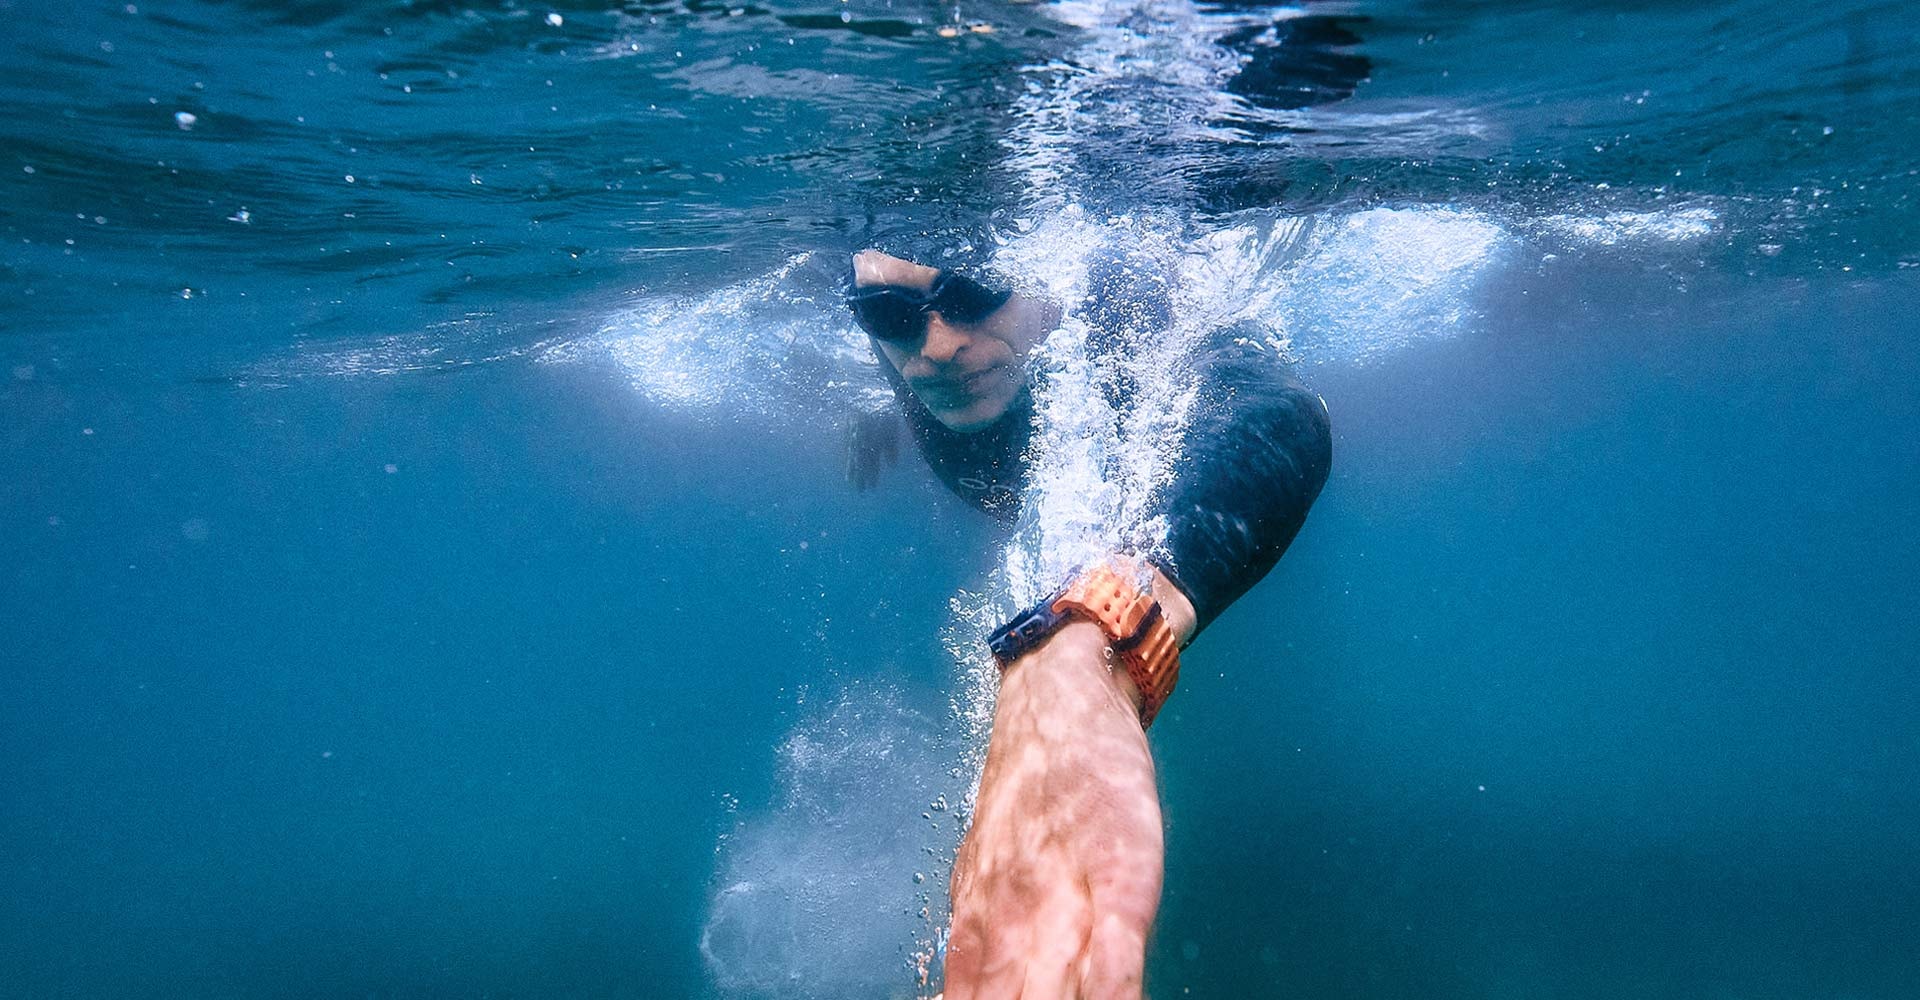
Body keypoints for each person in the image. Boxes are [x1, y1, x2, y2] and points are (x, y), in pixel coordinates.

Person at [847, 247, 1332, 999]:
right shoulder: (915, 348)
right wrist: (884, 417)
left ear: (1043, 265)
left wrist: (1092, 640)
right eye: (888, 316)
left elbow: (1280, 416)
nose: (936, 347)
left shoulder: (1125, 294)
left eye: (973, 293)